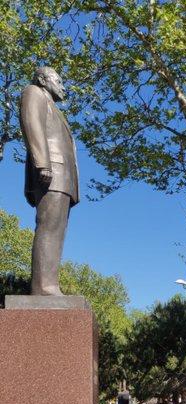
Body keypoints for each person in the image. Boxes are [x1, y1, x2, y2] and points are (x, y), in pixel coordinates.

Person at [20, 67, 79, 295]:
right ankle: (44, 287)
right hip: (51, 171)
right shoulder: (33, 92)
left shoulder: (53, 106)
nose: (63, 87)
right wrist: (43, 164)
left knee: (57, 229)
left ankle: (50, 284)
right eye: (59, 81)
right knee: (49, 227)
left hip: (62, 177)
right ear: (43, 80)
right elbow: (32, 125)